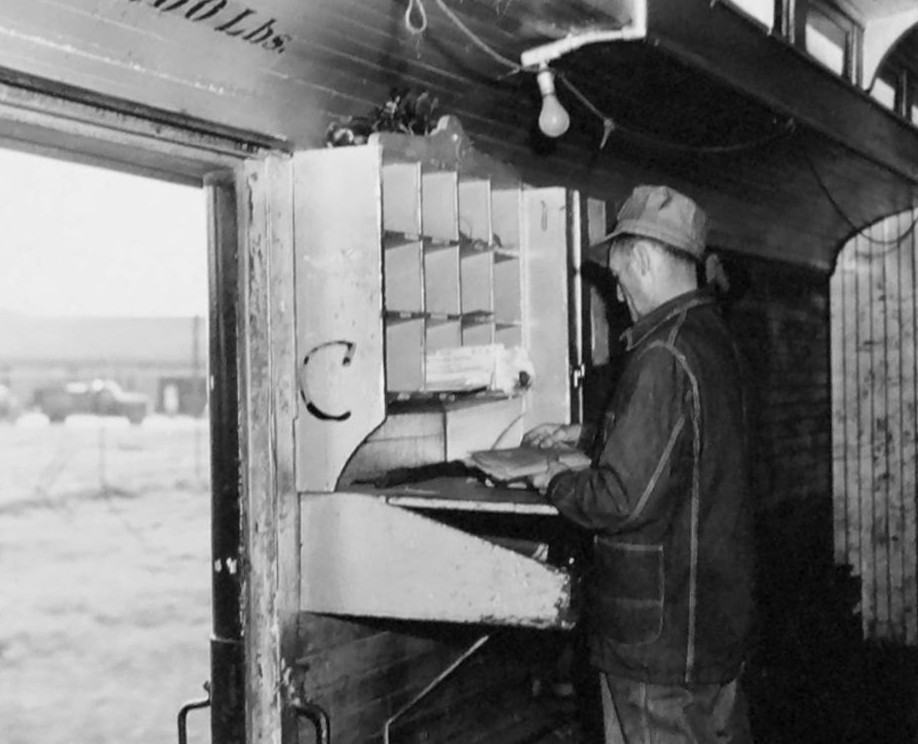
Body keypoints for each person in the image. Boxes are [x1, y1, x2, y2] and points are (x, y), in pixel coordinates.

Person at [525, 184, 755, 743]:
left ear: (646, 260)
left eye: (621, 282)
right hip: (710, 624)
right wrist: (584, 433)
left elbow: (619, 497)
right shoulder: (710, 337)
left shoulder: (662, 353)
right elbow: (682, 440)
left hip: (658, 642)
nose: (619, 298)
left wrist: (552, 478)